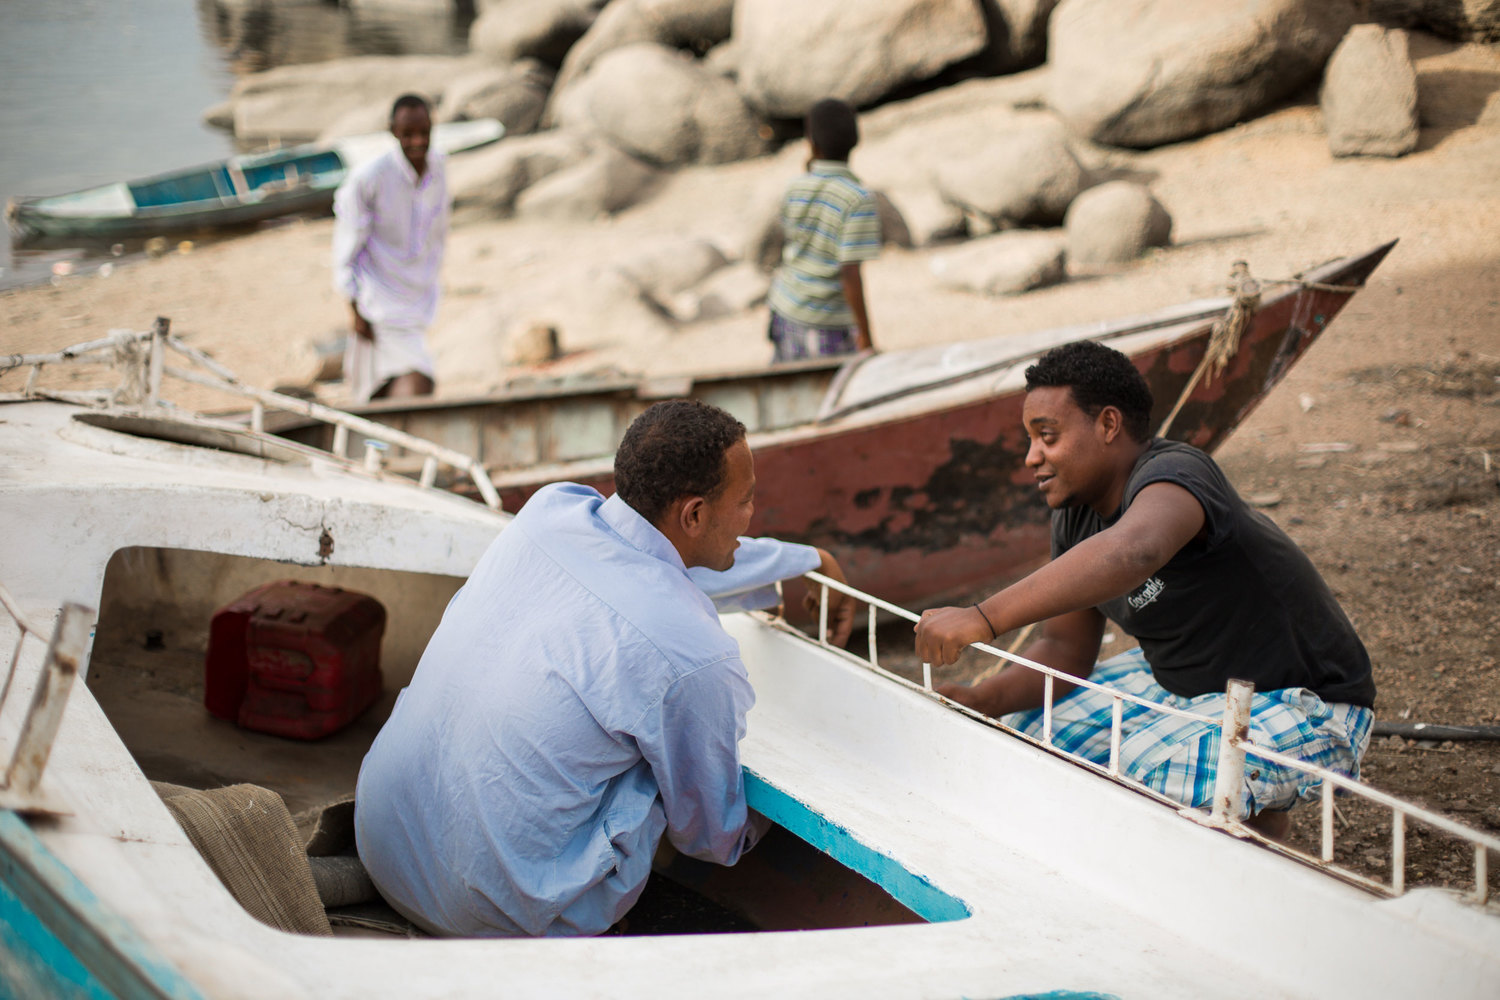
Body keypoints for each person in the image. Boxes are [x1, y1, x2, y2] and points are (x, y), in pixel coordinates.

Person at [355, 399, 856, 937]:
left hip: (381, 843)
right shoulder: (695, 657)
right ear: (693, 514)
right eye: (747, 500)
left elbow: (652, 570)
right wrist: (805, 804)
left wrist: (807, 559)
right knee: (656, 758)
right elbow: (712, 836)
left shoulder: (550, 512)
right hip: (486, 914)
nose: (752, 514)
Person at [915, 341, 1375, 836]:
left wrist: (984, 617)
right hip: (1183, 687)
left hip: (1303, 701)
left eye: (1047, 436)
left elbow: (1136, 551)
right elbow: (1064, 648)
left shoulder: (1176, 474)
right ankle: (1245, 807)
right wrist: (983, 698)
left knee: (1137, 783)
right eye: (1029, 440)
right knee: (1026, 732)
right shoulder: (1075, 516)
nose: (1032, 457)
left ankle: (1258, 838)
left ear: (1108, 425)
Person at [331, 93, 446, 402]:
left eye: (424, 132)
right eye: (408, 134)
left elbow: (437, 233)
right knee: (420, 379)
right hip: (377, 301)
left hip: (417, 297)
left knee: (382, 386)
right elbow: (346, 250)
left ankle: (382, 447)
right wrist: (354, 309)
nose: (418, 142)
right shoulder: (368, 180)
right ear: (393, 132)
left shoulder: (439, 167)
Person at [765, 97, 881, 362]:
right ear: (855, 140)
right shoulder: (857, 198)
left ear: (810, 141)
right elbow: (850, 272)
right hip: (826, 321)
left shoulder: (795, 187)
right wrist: (866, 337)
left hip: (785, 307)